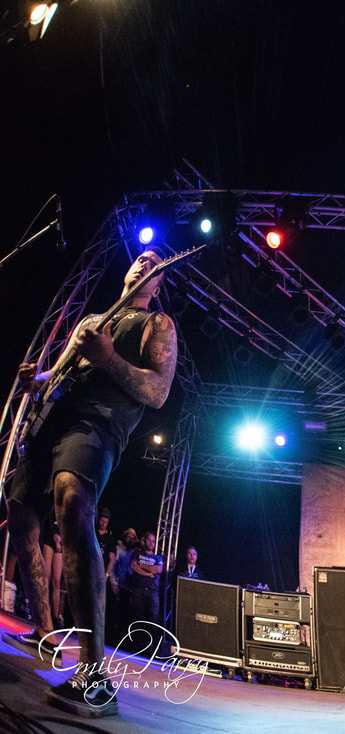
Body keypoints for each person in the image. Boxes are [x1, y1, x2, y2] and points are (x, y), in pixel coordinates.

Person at [3, 249, 176, 717]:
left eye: (155, 265)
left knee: (72, 499)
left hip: (98, 422)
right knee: (20, 516)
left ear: (158, 285)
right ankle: (44, 630)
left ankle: (95, 677)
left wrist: (109, 359)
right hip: (53, 419)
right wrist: (35, 380)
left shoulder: (157, 325)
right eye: (141, 259)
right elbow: (58, 373)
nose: (145, 265)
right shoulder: (93, 320)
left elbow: (158, 392)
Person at [128, 531, 164, 626]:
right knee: (138, 618)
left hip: (153, 591)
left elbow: (159, 569)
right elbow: (133, 566)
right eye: (149, 540)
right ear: (144, 540)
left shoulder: (157, 558)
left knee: (153, 619)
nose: (151, 543)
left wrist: (142, 565)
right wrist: (148, 574)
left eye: (153, 541)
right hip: (138, 589)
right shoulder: (137, 553)